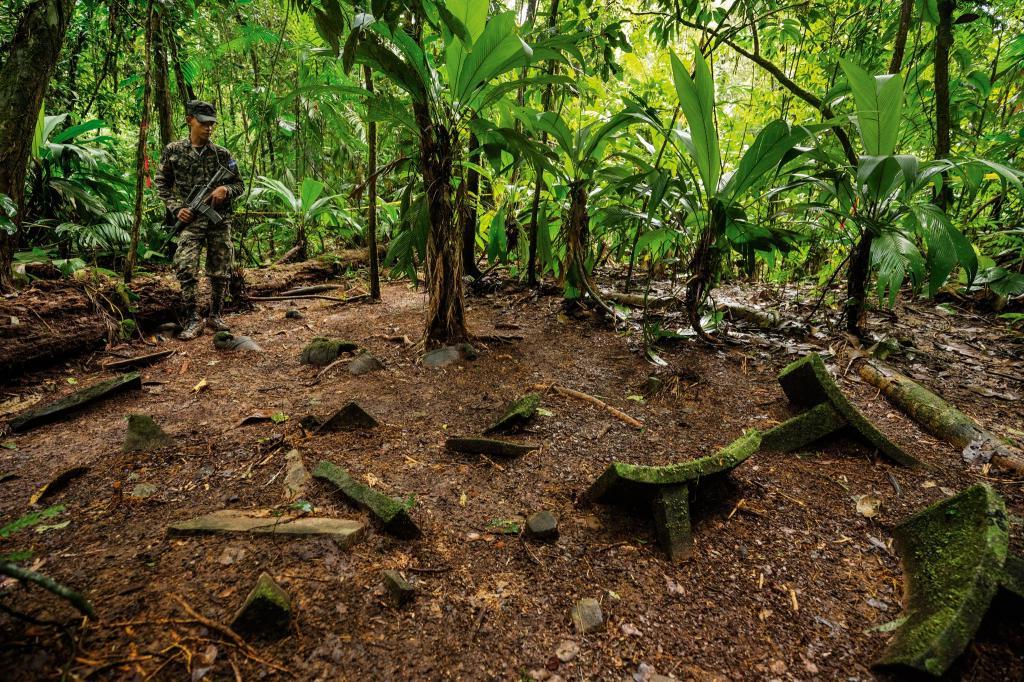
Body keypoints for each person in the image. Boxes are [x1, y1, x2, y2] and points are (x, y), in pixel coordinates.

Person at [155, 100, 245, 340]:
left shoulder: (222, 155)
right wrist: (177, 209)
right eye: (204, 123)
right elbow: (161, 184)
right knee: (185, 265)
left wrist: (225, 189)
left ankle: (215, 314)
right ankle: (193, 318)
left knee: (221, 269)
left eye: (212, 124)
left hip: (218, 220)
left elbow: (239, 184)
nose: (209, 128)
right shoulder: (173, 151)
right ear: (190, 120)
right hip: (191, 219)